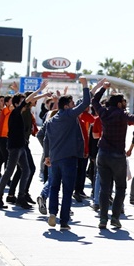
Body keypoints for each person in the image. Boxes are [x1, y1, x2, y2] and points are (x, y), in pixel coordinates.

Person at [91, 80, 134, 229]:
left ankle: (103, 219)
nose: (124, 103)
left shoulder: (103, 112)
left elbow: (94, 100)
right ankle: (115, 218)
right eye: (123, 101)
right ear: (119, 103)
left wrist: (103, 88)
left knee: (104, 188)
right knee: (121, 188)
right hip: (118, 156)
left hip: (103, 154)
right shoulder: (122, 114)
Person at [43, 77, 91, 230]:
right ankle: (64, 221)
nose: (73, 106)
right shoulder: (70, 115)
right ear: (66, 106)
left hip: (55, 159)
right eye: (71, 103)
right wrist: (85, 86)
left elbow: (46, 139)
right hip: (69, 158)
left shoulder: (51, 120)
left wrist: (47, 157)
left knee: (54, 187)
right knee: (67, 189)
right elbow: (85, 104)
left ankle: (52, 213)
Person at [0, 81, 48, 210]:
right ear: (17, 103)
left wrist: (42, 93)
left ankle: (21, 197)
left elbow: (29, 100)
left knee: (26, 170)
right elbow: (28, 99)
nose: (26, 102)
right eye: (23, 101)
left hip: (21, 146)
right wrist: (39, 89)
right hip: (15, 147)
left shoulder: (20, 113)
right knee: (9, 172)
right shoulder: (15, 112)